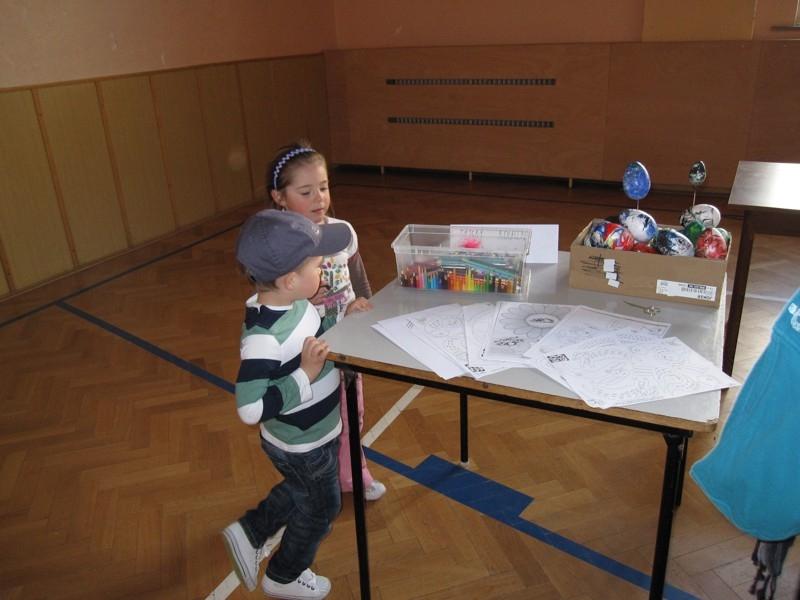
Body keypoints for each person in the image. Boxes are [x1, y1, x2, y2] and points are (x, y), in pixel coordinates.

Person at [222, 209, 352, 599]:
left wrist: (343, 321)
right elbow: (250, 408)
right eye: (316, 265)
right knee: (321, 509)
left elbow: (314, 339)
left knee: (303, 490)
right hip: (300, 442)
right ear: (290, 280)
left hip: (317, 432)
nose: (323, 268)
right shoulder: (264, 337)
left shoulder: (297, 305)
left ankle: (251, 530)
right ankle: (283, 575)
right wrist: (305, 374)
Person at [267, 141, 386, 501]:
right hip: (306, 354)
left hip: (345, 344)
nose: (319, 198)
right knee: (320, 420)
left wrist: (363, 306)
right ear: (279, 197)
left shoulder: (341, 232)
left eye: (323, 187)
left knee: (353, 413)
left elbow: (359, 281)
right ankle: (319, 484)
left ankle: (354, 474)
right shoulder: (277, 246)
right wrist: (300, 301)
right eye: (306, 192)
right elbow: (269, 304)